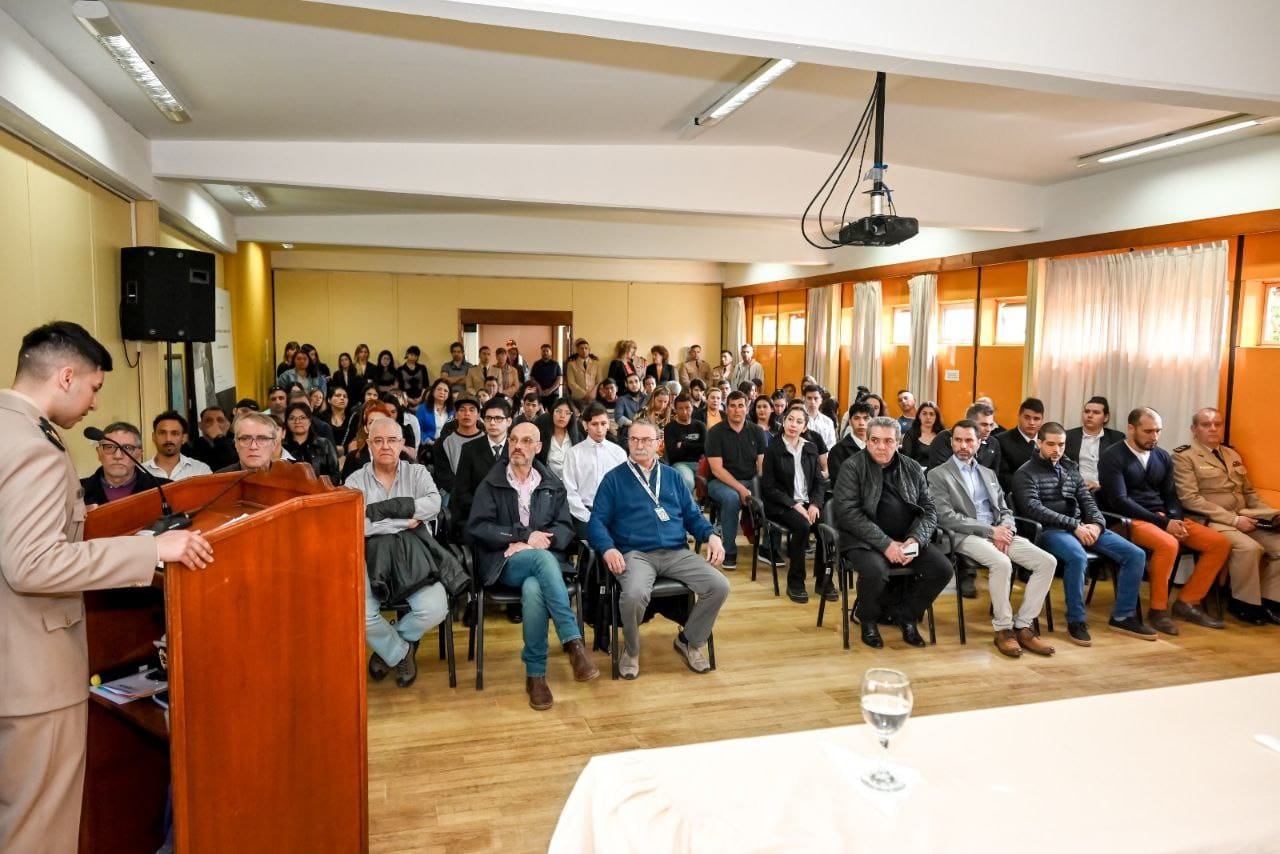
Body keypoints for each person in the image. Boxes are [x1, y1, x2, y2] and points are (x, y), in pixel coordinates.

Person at [0, 322, 211, 854]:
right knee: (37, 826)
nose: (95, 403)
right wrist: (151, 551)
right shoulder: (34, 449)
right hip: (30, 670)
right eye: (94, 388)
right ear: (67, 376)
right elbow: (31, 564)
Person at [468, 422, 598, 710]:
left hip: (543, 563)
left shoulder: (551, 484)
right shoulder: (492, 483)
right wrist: (523, 536)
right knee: (540, 562)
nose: (518, 445)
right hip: (503, 563)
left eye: (526, 441)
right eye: (513, 439)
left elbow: (566, 529)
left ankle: (536, 675)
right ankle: (573, 641)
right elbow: (478, 528)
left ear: (538, 447)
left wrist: (540, 542)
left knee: (534, 588)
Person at [588, 419, 729, 679]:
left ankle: (690, 640)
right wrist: (608, 549)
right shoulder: (614, 479)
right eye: (634, 440)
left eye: (646, 440)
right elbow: (596, 522)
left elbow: (693, 516)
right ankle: (631, 649)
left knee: (719, 586)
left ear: (658, 444)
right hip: (635, 553)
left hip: (676, 551)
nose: (639, 445)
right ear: (627, 442)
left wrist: (712, 535)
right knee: (633, 595)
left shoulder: (673, 477)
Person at [1012, 422, 1152, 645]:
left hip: (1082, 527)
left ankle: (1123, 616)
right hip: (1050, 531)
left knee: (1135, 554)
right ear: (1039, 443)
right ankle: (1076, 620)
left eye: (1061, 445)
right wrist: (1074, 526)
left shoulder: (1070, 468)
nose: (1057, 450)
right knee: (1077, 557)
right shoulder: (1025, 473)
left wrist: (1096, 524)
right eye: (1050, 444)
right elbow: (1034, 509)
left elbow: (1088, 501)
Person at [929, 420, 1057, 657]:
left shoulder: (987, 473)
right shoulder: (938, 474)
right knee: (1001, 563)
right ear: (951, 442)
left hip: (999, 533)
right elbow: (946, 517)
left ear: (980, 442)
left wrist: (1005, 528)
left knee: (1047, 562)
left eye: (969, 440)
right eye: (958, 440)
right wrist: (990, 532)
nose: (963, 445)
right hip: (964, 535)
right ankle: (1004, 629)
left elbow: (1005, 509)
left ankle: (1024, 625)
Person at [1097, 407, 1229, 634]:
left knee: (1219, 543)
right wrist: (1163, 524)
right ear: (1131, 429)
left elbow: (1171, 496)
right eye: (1148, 431)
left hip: (1161, 519)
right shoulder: (1112, 456)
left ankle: (1187, 602)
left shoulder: (1162, 456)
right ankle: (1158, 610)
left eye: (1158, 431)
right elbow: (1120, 501)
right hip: (1126, 521)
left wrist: (1173, 519)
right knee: (1168, 544)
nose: (1154, 437)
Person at [346, 417, 451, 688]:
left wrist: (381, 516)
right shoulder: (355, 479)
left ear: (402, 443)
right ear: (368, 443)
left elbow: (433, 504)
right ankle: (400, 652)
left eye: (392, 440)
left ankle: (388, 646)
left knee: (435, 609)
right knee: (361, 614)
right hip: (370, 555)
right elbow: (352, 522)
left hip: (413, 551)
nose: (385, 446)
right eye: (378, 440)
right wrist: (404, 520)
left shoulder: (417, 473)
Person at [831, 416, 953, 649]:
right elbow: (848, 513)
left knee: (942, 570)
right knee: (876, 571)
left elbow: (929, 510)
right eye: (875, 440)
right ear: (866, 441)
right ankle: (867, 619)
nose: (880, 446)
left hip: (907, 538)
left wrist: (914, 540)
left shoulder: (912, 467)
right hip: (863, 540)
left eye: (888, 441)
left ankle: (906, 616)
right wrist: (887, 544)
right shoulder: (852, 467)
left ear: (898, 442)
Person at [1173, 407, 1280, 625]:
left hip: (1245, 516)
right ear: (1194, 429)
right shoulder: (1184, 456)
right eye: (1206, 424)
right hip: (1211, 520)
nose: (1213, 428)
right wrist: (1233, 520)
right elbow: (1190, 499)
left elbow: (1249, 493)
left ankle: (1270, 600)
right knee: (1249, 548)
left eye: (1217, 424)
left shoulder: (1232, 454)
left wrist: (1268, 516)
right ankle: (1243, 604)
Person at [760, 406, 829, 603]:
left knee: (825, 527)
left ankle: (823, 579)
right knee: (802, 526)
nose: (794, 424)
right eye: (791, 419)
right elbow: (769, 486)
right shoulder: (773, 448)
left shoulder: (810, 447)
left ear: (805, 426)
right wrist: (794, 505)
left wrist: (815, 504)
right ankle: (795, 581)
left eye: (799, 421)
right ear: (784, 421)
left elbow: (818, 482)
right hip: (780, 505)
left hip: (808, 504)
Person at [705, 391, 767, 571]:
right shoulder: (715, 432)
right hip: (720, 482)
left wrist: (758, 486)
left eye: (741, 405)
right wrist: (741, 489)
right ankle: (729, 550)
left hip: (750, 480)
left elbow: (761, 465)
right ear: (727, 407)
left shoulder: (756, 431)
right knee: (731, 498)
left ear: (747, 408)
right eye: (732, 405)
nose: (736, 410)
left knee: (773, 494)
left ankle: (769, 548)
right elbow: (717, 469)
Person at [562, 403, 628, 539]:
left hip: (614, 513)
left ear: (608, 425)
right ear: (585, 425)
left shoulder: (619, 453)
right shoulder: (573, 454)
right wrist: (588, 516)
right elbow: (569, 492)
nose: (599, 429)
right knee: (600, 539)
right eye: (594, 424)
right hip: (584, 513)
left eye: (603, 424)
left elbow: (624, 489)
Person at [452, 398, 511, 529]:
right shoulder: (469, 449)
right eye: (488, 418)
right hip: (477, 514)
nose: (493, 423)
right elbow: (462, 491)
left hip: (511, 516)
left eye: (498, 418)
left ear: (509, 421)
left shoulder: (515, 448)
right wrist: (485, 510)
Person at [81, 421, 168, 506]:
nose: (118, 456)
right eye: (109, 447)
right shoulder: (76, 490)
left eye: (127, 448)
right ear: (99, 453)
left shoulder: (164, 489)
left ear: (139, 455)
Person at [1065, 396, 1125, 491]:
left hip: (1106, 491)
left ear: (1106, 417)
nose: (1090, 415)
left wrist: (1099, 485)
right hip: (1077, 490)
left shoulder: (1116, 438)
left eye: (1096, 412)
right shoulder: (1068, 436)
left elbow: (1122, 470)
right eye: (1087, 411)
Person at [929, 401, 1002, 472]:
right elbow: (940, 473)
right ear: (969, 421)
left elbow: (993, 477)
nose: (989, 429)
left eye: (991, 425)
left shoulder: (993, 443)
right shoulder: (944, 438)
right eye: (984, 424)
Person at [431, 397, 483, 497]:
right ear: (456, 415)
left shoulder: (489, 441)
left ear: (478, 415)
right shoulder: (443, 443)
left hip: (483, 494)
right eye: (462, 410)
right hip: (454, 494)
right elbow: (444, 476)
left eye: (472, 410)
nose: (467, 413)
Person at [144, 411, 212, 482]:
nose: (168, 439)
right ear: (153, 437)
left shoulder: (200, 471)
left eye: (174, 433)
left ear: (184, 438)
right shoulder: (139, 472)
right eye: (162, 433)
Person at [283, 402, 341, 482]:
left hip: (321, 492)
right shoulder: (282, 447)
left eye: (302, 417)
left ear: (310, 421)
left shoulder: (325, 444)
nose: (297, 421)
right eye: (292, 418)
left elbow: (335, 475)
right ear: (286, 422)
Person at [997, 398, 1046, 491]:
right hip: (1017, 494)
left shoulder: (1047, 439)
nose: (1032, 423)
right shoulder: (1001, 440)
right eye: (1027, 417)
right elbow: (1003, 478)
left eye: (1036, 419)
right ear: (1019, 416)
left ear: (1042, 420)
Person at [664, 394, 706, 494]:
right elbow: (673, 454)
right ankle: (688, 508)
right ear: (675, 409)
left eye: (687, 407)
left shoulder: (700, 425)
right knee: (688, 482)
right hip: (680, 464)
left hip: (700, 463)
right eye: (680, 408)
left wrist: (683, 445)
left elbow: (705, 448)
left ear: (693, 407)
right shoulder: (670, 428)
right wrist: (696, 447)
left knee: (710, 482)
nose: (685, 412)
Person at [220, 411, 286, 473]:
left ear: (273, 444)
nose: (253, 447)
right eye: (245, 439)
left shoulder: (291, 479)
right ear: (236, 444)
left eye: (262, 439)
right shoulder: (216, 480)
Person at [536, 398, 582, 481]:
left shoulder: (578, 438)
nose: (562, 416)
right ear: (552, 413)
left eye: (567, 413)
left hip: (573, 482)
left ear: (571, 417)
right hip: (547, 482)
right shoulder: (542, 436)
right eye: (558, 411)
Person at [828, 401, 872, 486]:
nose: (861, 423)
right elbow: (839, 483)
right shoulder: (837, 451)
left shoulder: (878, 447)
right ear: (850, 422)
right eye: (856, 418)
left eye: (866, 418)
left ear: (873, 421)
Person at [186, 405, 237, 471]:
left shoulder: (236, 445)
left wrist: (219, 438)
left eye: (220, 420)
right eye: (209, 421)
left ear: (227, 425)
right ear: (200, 425)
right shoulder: (190, 448)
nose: (214, 424)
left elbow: (233, 466)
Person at [416, 379, 455, 453]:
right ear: (433, 391)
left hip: (449, 445)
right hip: (429, 445)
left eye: (445, 391)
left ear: (449, 394)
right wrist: (428, 440)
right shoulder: (423, 408)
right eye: (439, 389)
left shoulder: (453, 410)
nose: (442, 392)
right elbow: (418, 429)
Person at [901, 401, 943, 467]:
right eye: (924, 414)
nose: (928, 417)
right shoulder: (911, 434)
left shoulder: (942, 435)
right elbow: (906, 460)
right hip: (916, 472)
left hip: (938, 473)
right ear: (919, 416)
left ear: (936, 417)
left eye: (931, 414)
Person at [565, 338, 601, 407]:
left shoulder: (596, 364)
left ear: (589, 350)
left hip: (593, 397)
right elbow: (571, 382)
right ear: (577, 350)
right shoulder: (571, 364)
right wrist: (584, 394)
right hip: (577, 397)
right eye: (581, 348)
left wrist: (591, 394)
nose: (584, 350)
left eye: (586, 348)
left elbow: (599, 381)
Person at [325, 385, 358, 460]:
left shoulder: (354, 418)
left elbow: (357, 440)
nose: (342, 398)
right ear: (329, 400)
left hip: (349, 458)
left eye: (345, 396)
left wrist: (344, 449)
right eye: (338, 395)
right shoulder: (321, 418)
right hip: (326, 457)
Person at [802, 384, 836, 451]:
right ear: (804, 399)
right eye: (809, 398)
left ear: (821, 400)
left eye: (816, 398)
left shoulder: (828, 421)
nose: (812, 402)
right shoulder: (798, 420)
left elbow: (831, 445)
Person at [530, 343, 563, 410]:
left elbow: (558, 379)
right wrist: (539, 389)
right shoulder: (536, 364)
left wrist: (550, 390)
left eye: (547, 351)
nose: (545, 353)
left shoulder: (555, 364)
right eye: (543, 351)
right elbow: (532, 378)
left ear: (550, 353)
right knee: (539, 412)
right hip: (539, 393)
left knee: (553, 412)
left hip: (553, 394)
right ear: (541, 352)